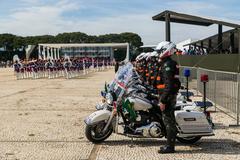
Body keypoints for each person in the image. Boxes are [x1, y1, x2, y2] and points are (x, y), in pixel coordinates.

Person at [155, 41, 181, 154]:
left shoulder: (167, 65)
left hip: (168, 97)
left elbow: (169, 85)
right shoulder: (169, 63)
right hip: (169, 95)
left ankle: (170, 147)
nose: (158, 54)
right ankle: (169, 143)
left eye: (160, 51)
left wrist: (164, 100)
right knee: (168, 120)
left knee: (169, 121)